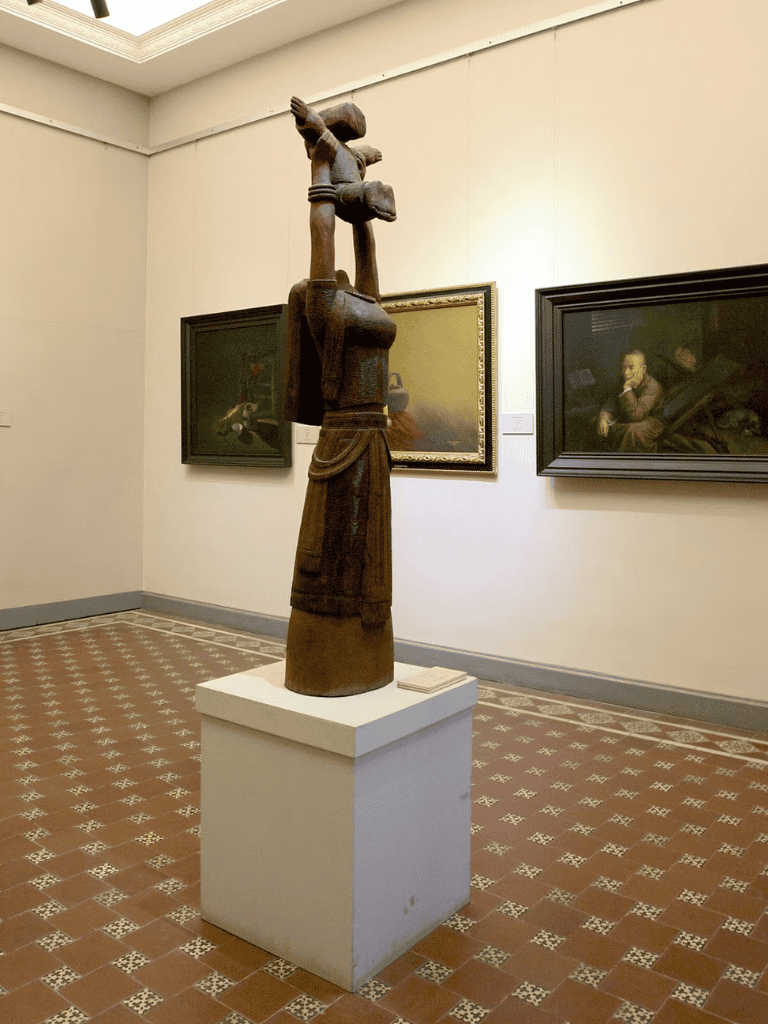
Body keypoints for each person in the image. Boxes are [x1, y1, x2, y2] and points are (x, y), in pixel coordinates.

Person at [282, 97, 397, 696]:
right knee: (335, 556)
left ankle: (368, 663)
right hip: (346, 439)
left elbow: (361, 252)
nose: (348, 278)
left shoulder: (367, 304)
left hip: (372, 443)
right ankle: (327, 663)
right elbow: (321, 229)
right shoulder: (324, 303)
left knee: (368, 559)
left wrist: (365, 215)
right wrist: (323, 165)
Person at [597, 350, 665, 452]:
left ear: (643, 369)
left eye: (631, 367)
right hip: (629, 419)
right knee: (598, 422)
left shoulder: (653, 386)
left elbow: (637, 415)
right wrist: (604, 415)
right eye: (624, 367)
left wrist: (627, 388)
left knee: (631, 431)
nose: (626, 372)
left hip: (651, 423)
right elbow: (611, 403)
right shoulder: (622, 379)